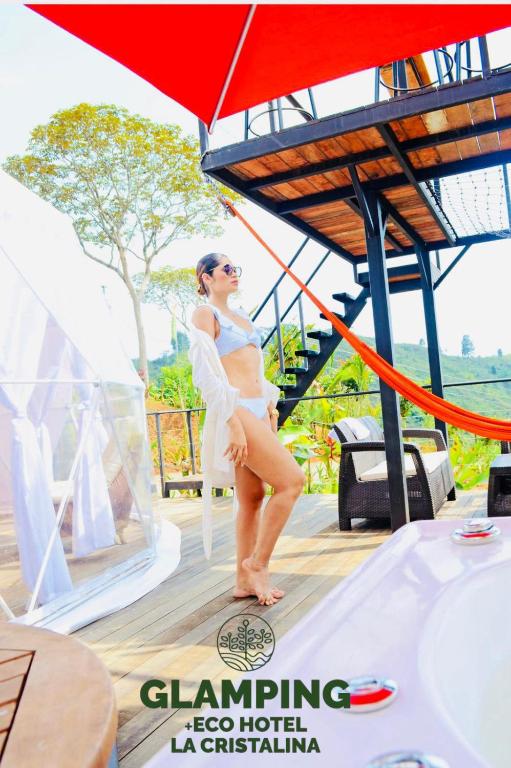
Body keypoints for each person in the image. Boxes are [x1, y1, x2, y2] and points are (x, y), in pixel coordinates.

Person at [189, 253, 306, 606]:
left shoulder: (242, 316)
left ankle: (242, 581)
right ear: (206, 277)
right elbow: (205, 375)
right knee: (292, 482)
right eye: (226, 269)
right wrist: (233, 423)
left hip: (258, 411)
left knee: (252, 498)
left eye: (235, 268)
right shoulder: (205, 314)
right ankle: (258, 564)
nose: (233, 273)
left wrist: (269, 406)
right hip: (237, 410)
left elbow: (255, 369)